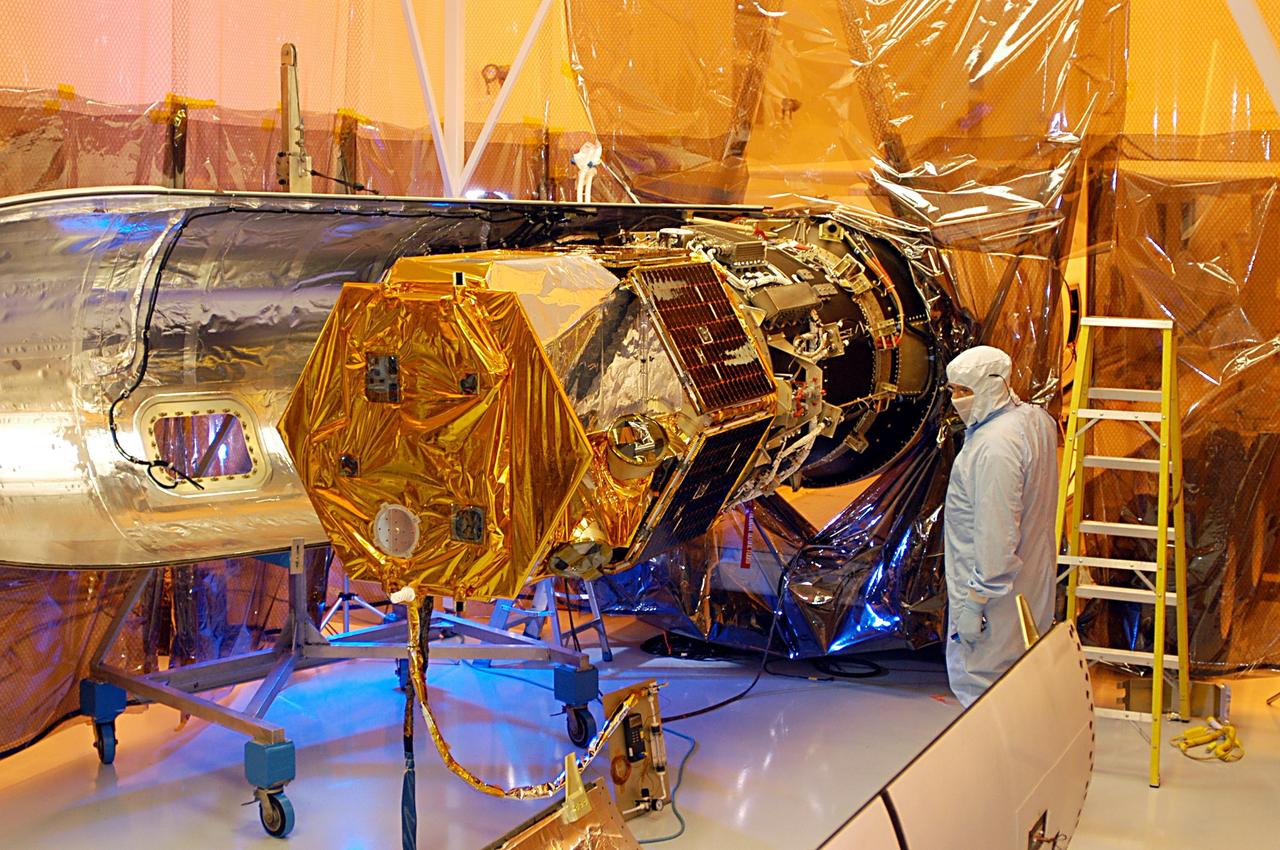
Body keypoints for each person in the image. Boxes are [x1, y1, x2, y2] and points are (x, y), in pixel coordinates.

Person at [943, 345, 1058, 707]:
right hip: (1030, 585)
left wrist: (975, 603)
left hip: (992, 598)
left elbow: (996, 533)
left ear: (993, 385)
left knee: (984, 692)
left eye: (966, 391)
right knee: (1022, 683)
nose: (958, 401)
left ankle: (993, 761)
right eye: (953, 391)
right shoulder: (1035, 420)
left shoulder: (994, 447)